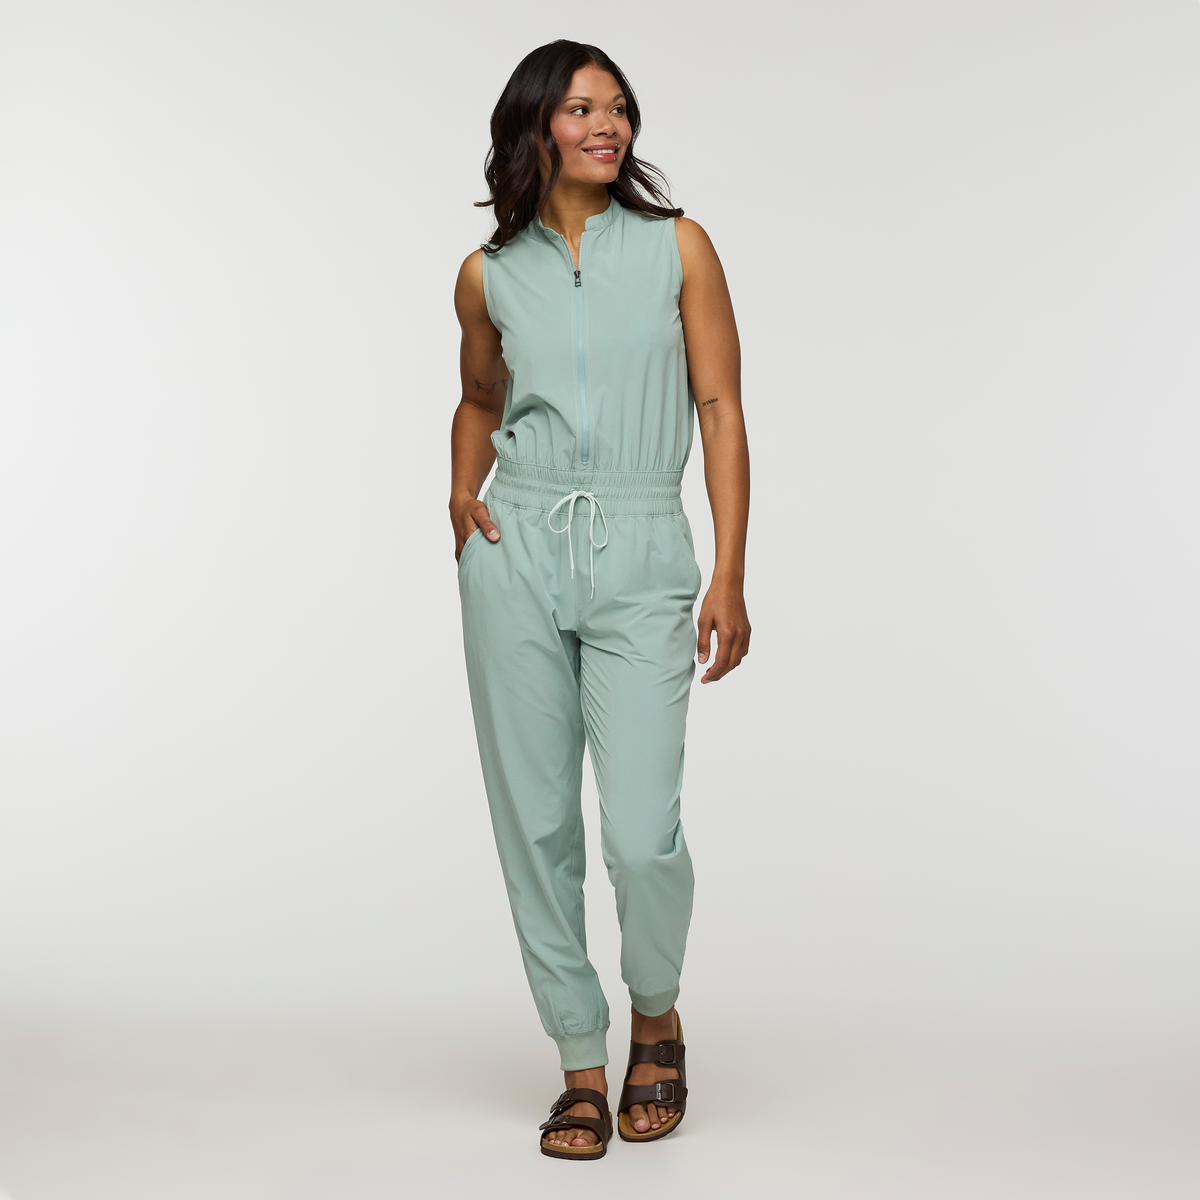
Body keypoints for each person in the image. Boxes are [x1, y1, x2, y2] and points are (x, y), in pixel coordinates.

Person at [450, 39, 750, 1160]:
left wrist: (728, 570)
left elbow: (719, 407)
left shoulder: (679, 248)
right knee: (534, 825)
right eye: (580, 108)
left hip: (639, 542)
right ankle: (581, 1057)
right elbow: (478, 397)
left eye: (618, 107)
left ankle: (655, 1014)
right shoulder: (488, 273)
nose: (606, 125)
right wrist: (461, 495)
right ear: (535, 124)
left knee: (639, 831)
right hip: (516, 547)